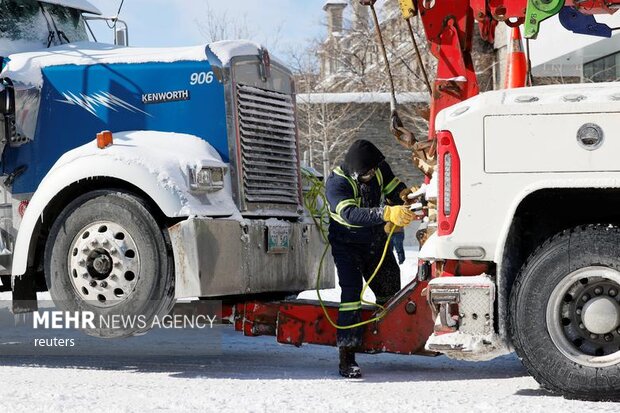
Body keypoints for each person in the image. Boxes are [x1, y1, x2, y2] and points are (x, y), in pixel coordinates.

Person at [325, 139, 414, 378]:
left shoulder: (377, 169)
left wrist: (405, 196)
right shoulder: (336, 184)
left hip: (375, 241)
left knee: (390, 285)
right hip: (348, 247)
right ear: (355, 172)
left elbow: (394, 188)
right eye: (367, 173)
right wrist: (387, 212)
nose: (373, 174)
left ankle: (381, 335)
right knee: (351, 296)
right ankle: (347, 354)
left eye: (374, 170)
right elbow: (350, 213)